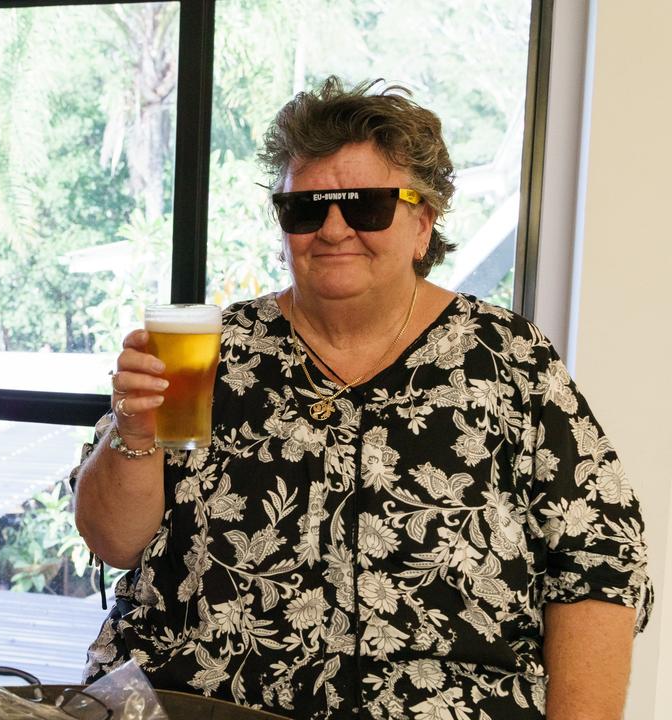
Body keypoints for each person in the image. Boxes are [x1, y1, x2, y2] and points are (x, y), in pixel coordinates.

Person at [73, 77, 652, 719]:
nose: (334, 228)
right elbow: (112, 544)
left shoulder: (509, 359)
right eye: (306, 209)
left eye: (366, 206)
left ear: (423, 223)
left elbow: (598, 562)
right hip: (197, 704)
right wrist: (133, 433)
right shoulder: (212, 351)